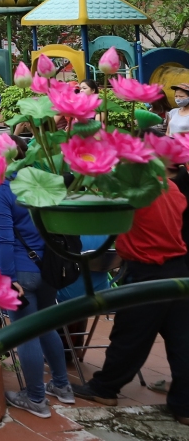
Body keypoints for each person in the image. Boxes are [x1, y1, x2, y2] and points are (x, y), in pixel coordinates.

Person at [75, 179, 189, 421]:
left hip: (146, 271)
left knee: (129, 334)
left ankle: (104, 388)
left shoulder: (132, 189)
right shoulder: (171, 188)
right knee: (182, 339)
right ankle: (185, 404)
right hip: (178, 270)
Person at [0, 175, 72, 417]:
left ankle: (35, 398)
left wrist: (7, 275)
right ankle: (62, 386)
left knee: (26, 334)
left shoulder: (4, 191)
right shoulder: (40, 181)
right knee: (46, 328)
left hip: (21, 272)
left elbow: (3, 237)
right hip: (48, 270)